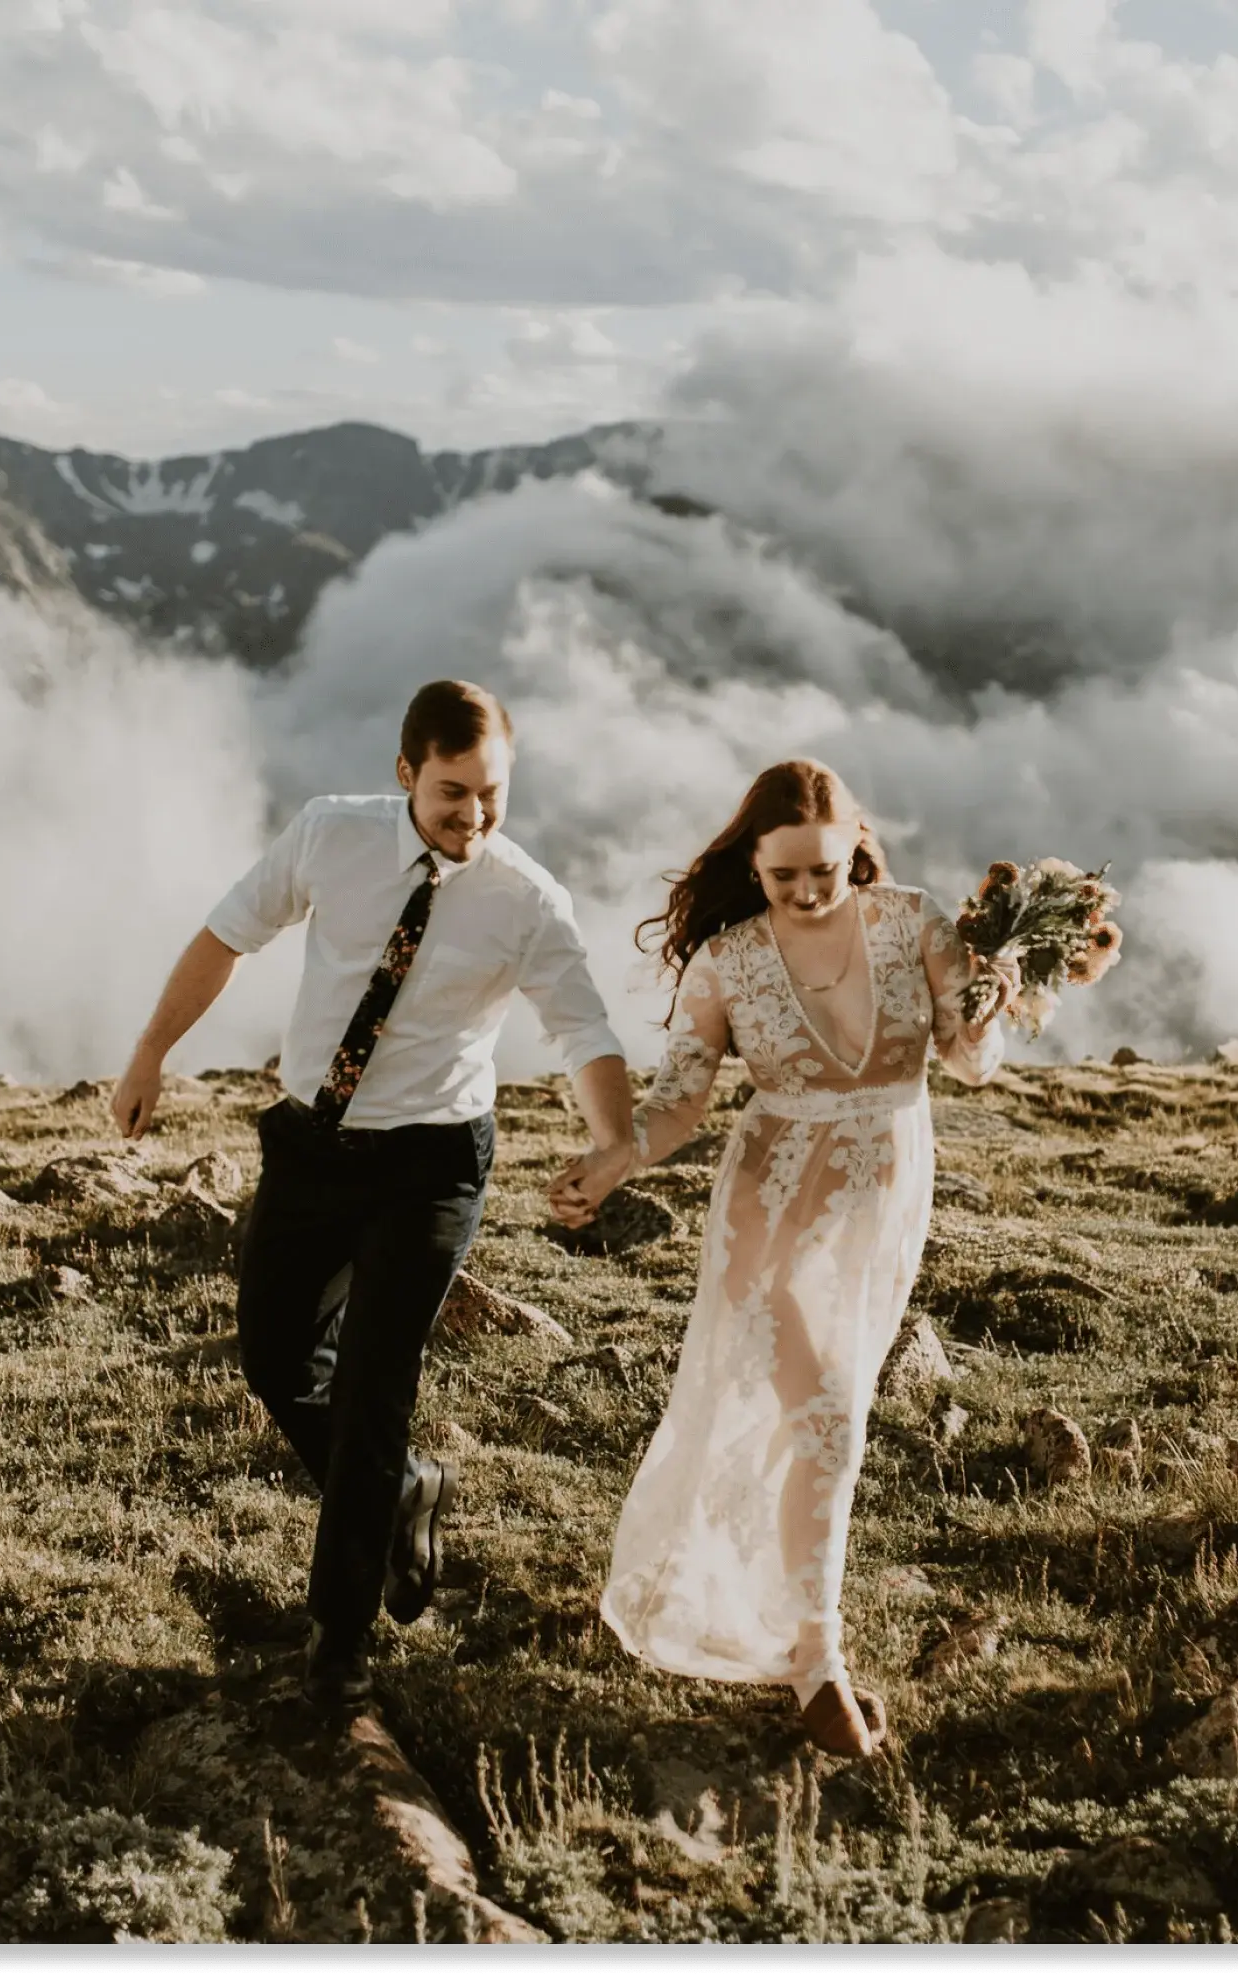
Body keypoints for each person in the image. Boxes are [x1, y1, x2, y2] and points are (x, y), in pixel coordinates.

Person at [112, 679, 635, 1711]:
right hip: (312, 1146)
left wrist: (614, 1137)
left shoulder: (526, 899)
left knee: (372, 1390)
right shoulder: (328, 835)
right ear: (405, 774)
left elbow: (585, 1030)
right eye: (452, 793)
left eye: (492, 794)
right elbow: (226, 935)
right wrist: (148, 1054)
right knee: (271, 1356)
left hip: (431, 1164)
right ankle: (400, 1489)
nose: (474, 817)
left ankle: (337, 1644)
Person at [550, 760, 1016, 1759]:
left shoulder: (913, 922)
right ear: (750, 867)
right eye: (784, 877)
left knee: (812, 1421)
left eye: (825, 869)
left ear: (856, 843)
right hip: (769, 1200)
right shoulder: (727, 961)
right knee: (827, 1418)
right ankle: (818, 1660)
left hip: (881, 1204)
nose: (808, 891)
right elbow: (678, 1100)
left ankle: (759, 1596)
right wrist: (614, 1157)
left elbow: (968, 1060)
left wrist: (986, 1008)